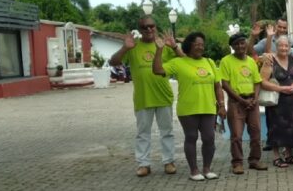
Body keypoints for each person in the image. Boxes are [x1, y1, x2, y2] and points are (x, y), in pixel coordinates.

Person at [109, 15, 184, 177]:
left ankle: (169, 161)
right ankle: (144, 164)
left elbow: (186, 62)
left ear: (155, 27)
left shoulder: (164, 46)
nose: (149, 29)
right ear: (140, 30)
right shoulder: (133, 47)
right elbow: (113, 62)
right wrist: (124, 48)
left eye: (152, 26)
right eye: (145, 27)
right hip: (143, 98)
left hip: (163, 96)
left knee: (167, 132)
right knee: (143, 133)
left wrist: (174, 47)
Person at [151, 32, 225, 180]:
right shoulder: (179, 62)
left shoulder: (210, 62)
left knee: (209, 138)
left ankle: (207, 168)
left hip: (208, 108)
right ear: (188, 45)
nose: (200, 47)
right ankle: (194, 170)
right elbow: (157, 70)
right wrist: (159, 49)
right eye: (196, 44)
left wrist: (221, 105)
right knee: (191, 137)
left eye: (202, 44)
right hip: (188, 109)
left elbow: (218, 86)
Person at [219, 32, 267, 174]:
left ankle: (254, 160)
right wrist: (241, 100)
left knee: (256, 132)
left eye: (242, 43)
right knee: (237, 135)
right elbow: (225, 84)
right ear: (232, 46)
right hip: (236, 102)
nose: (240, 46)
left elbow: (257, 82)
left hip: (252, 101)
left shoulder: (251, 61)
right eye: (237, 44)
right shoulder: (226, 61)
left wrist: (255, 98)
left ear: (246, 44)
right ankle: (237, 163)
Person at [260, 36, 293, 168]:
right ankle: (276, 157)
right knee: (276, 128)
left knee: (292, 127)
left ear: (289, 47)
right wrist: (280, 88)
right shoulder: (270, 60)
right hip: (277, 102)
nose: (284, 48)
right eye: (281, 46)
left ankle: (289, 155)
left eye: (286, 46)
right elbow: (262, 81)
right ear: (276, 47)